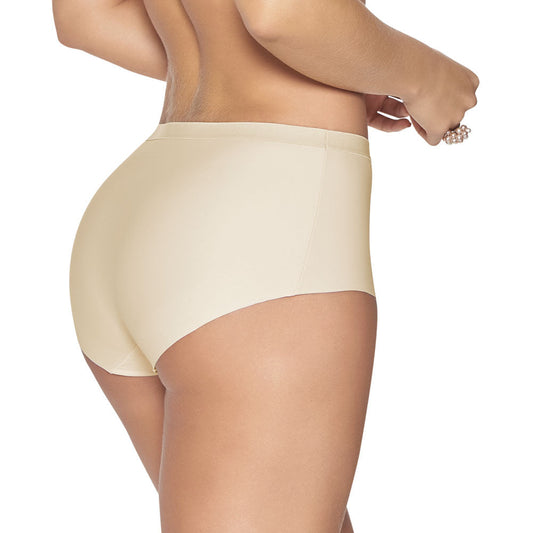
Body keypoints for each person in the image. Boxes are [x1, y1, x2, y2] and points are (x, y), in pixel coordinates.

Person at [52, 0, 479, 531]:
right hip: (260, 230)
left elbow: (85, 18)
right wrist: (426, 77)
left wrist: (334, 61)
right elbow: (283, 14)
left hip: (144, 207)